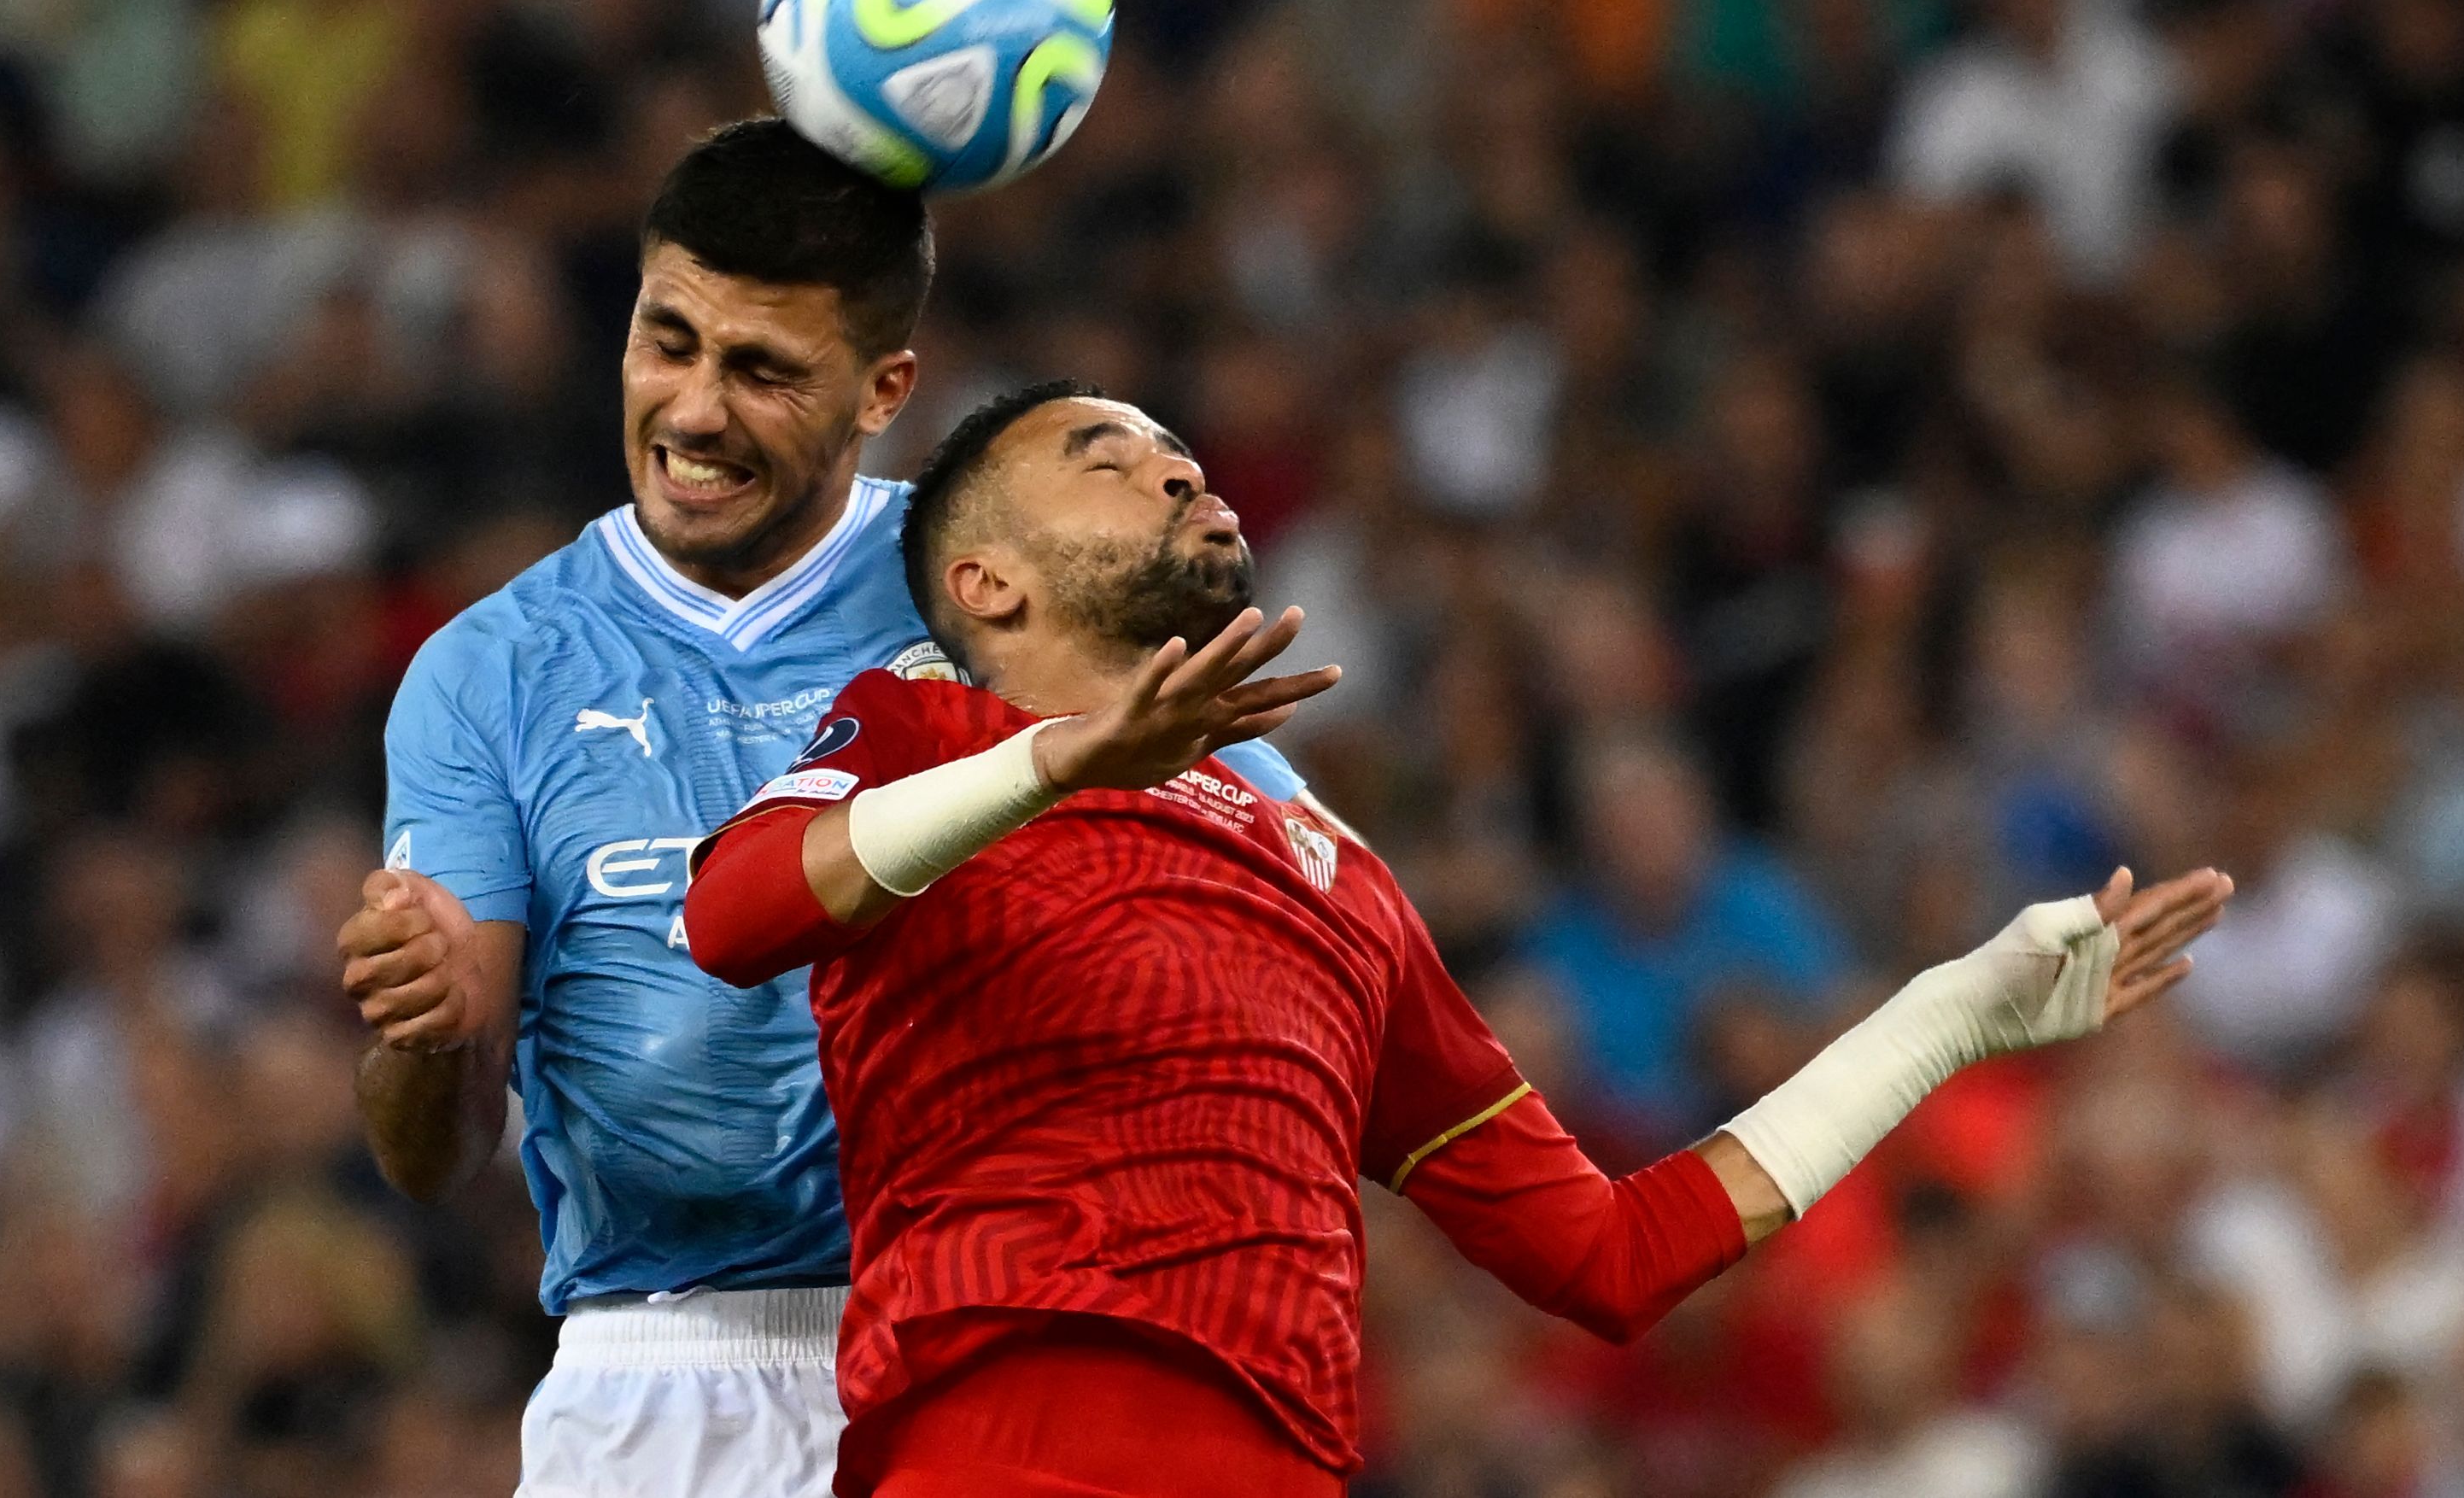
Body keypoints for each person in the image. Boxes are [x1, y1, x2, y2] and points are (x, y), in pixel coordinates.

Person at [684, 381, 2234, 1498]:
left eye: (1182, 452)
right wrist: (1055, 763)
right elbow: (732, 911)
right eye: (1111, 456)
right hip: (999, 1450)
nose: (1180, 473)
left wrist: (1953, 1013)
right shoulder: (921, 731)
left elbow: (1608, 1256)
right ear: (985, 581)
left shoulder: (1339, 881)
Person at [331, 120, 1317, 1497]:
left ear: (881, 387)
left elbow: (1311, 925)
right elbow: (430, 1154)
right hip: (656, 1389)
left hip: (1010, 1345)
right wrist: (421, 1030)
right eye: (665, 341)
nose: (690, 412)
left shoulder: (999, 592)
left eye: (761, 373)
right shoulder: (489, 671)